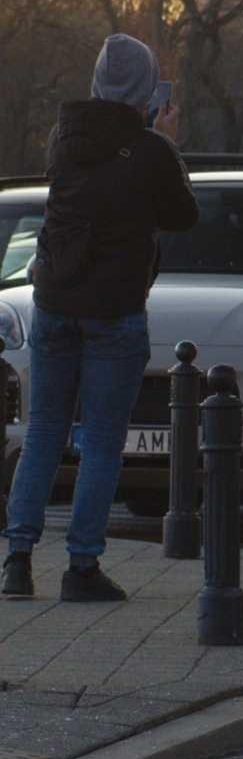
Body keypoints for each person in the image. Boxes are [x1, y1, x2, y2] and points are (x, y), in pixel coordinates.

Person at [0, 35, 198, 602]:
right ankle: (81, 569)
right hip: (113, 310)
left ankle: (17, 559)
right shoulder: (150, 149)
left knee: (43, 432)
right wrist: (166, 142)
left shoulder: (62, 138)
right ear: (142, 89)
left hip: (55, 301)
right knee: (104, 440)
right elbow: (182, 216)